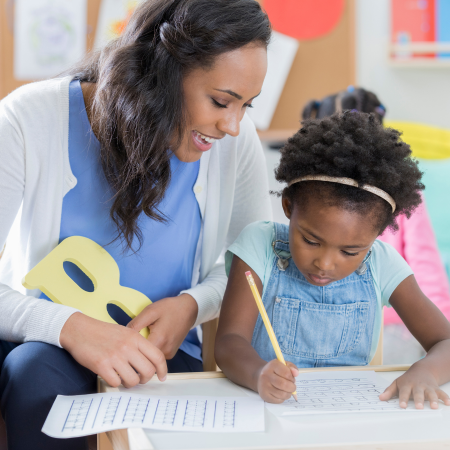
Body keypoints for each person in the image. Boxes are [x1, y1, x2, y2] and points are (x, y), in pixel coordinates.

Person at [0, 0, 272, 448]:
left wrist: (193, 305)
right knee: (33, 376)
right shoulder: (31, 117)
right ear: (163, 74)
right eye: (221, 101)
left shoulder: (232, 147)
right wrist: (70, 327)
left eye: (246, 105)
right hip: (47, 347)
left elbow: (251, 264)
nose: (234, 125)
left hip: (160, 360)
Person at [215, 112, 450, 407]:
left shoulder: (383, 264)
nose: (325, 264)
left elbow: (445, 342)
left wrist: (425, 371)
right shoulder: (259, 245)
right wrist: (258, 372)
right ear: (288, 206)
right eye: (311, 241)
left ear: (378, 234)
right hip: (265, 409)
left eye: (350, 252)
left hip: (349, 417)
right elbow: (228, 343)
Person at [302, 87, 450, 364]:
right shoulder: (307, 198)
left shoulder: (403, 198)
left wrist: (438, 338)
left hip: (394, 326)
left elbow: (428, 271)